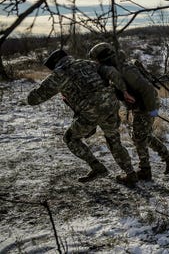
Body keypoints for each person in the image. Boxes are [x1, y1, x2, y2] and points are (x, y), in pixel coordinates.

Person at [27, 49, 138, 186]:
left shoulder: (58, 75)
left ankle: (97, 168)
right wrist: (123, 90)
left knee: (70, 138)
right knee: (113, 139)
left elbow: (32, 99)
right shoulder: (87, 63)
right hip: (110, 105)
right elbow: (110, 71)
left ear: (54, 64)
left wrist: (45, 84)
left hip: (90, 112)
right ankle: (130, 173)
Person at [88, 42, 169, 181]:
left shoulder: (125, 69)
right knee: (143, 135)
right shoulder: (116, 69)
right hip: (141, 105)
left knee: (139, 137)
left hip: (146, 105)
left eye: (97, 60)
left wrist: (151, 110)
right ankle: (168, 158)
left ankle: (145, 170)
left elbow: (147, 89)